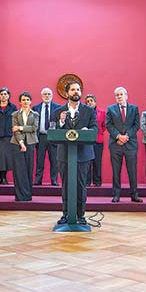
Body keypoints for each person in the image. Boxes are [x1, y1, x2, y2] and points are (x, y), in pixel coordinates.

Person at [54, 81, 98, 225]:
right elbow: (53, 131)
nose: (76, 92)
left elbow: (95, 129)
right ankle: (66, 214)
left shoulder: (89, 110)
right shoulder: (58, 111)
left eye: (78, 89)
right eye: (73, 90)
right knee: (66, 185)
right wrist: (61, 122)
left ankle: (80, 215)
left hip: (83, 154)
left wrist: (87, 132)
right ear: (67, 93)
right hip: (64, 154)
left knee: (80, 185)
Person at [106, 86, 142, 203]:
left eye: (121, 94)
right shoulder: (110, 109)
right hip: (115, 144)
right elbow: (109, 125)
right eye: (117, 95)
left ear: (126, 96)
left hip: (130, 144)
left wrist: (126, 136)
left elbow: (136, 125)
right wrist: (118, 136)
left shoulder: (134, 108)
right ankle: (116, 195)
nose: (119, 97)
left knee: (132, 170)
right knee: (116, 171)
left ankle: (134, 195)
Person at [11, 92, 39, 201]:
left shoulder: (35, 114)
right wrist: (21, 143)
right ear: (20, 102)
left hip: (31, 143)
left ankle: (28, 195)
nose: (25, 101)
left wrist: (20, 128)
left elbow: (34, 128)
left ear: (30, 101)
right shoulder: (15, 114)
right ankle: (19, 196)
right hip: (17, 143)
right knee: (18, 170)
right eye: (23, 99)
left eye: (27, 99)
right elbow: (14, 130)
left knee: (28, 168)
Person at [32, 87, 60, 186]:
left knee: (54, 160)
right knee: (39, 160)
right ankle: (38, 180)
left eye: (49, 94)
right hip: (41, 137)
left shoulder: (58, 108)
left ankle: (54, 180)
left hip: (53, 137)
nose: (47, 96)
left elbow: (60, 123)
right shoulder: (36, 108)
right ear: (41, 96)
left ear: (52, 96)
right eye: (45, 94)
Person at [85, 94, 106, 187]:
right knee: (87, 161)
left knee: (97, 161)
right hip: (87, 141)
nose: (89, 103)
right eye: (87, 102)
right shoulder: (84, 113)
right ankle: (87, 182)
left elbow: (104, 126)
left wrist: (99, 132)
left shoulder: (102, 112)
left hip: (98, 140)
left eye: (91, 101)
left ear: (95, 102)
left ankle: (97, 181)